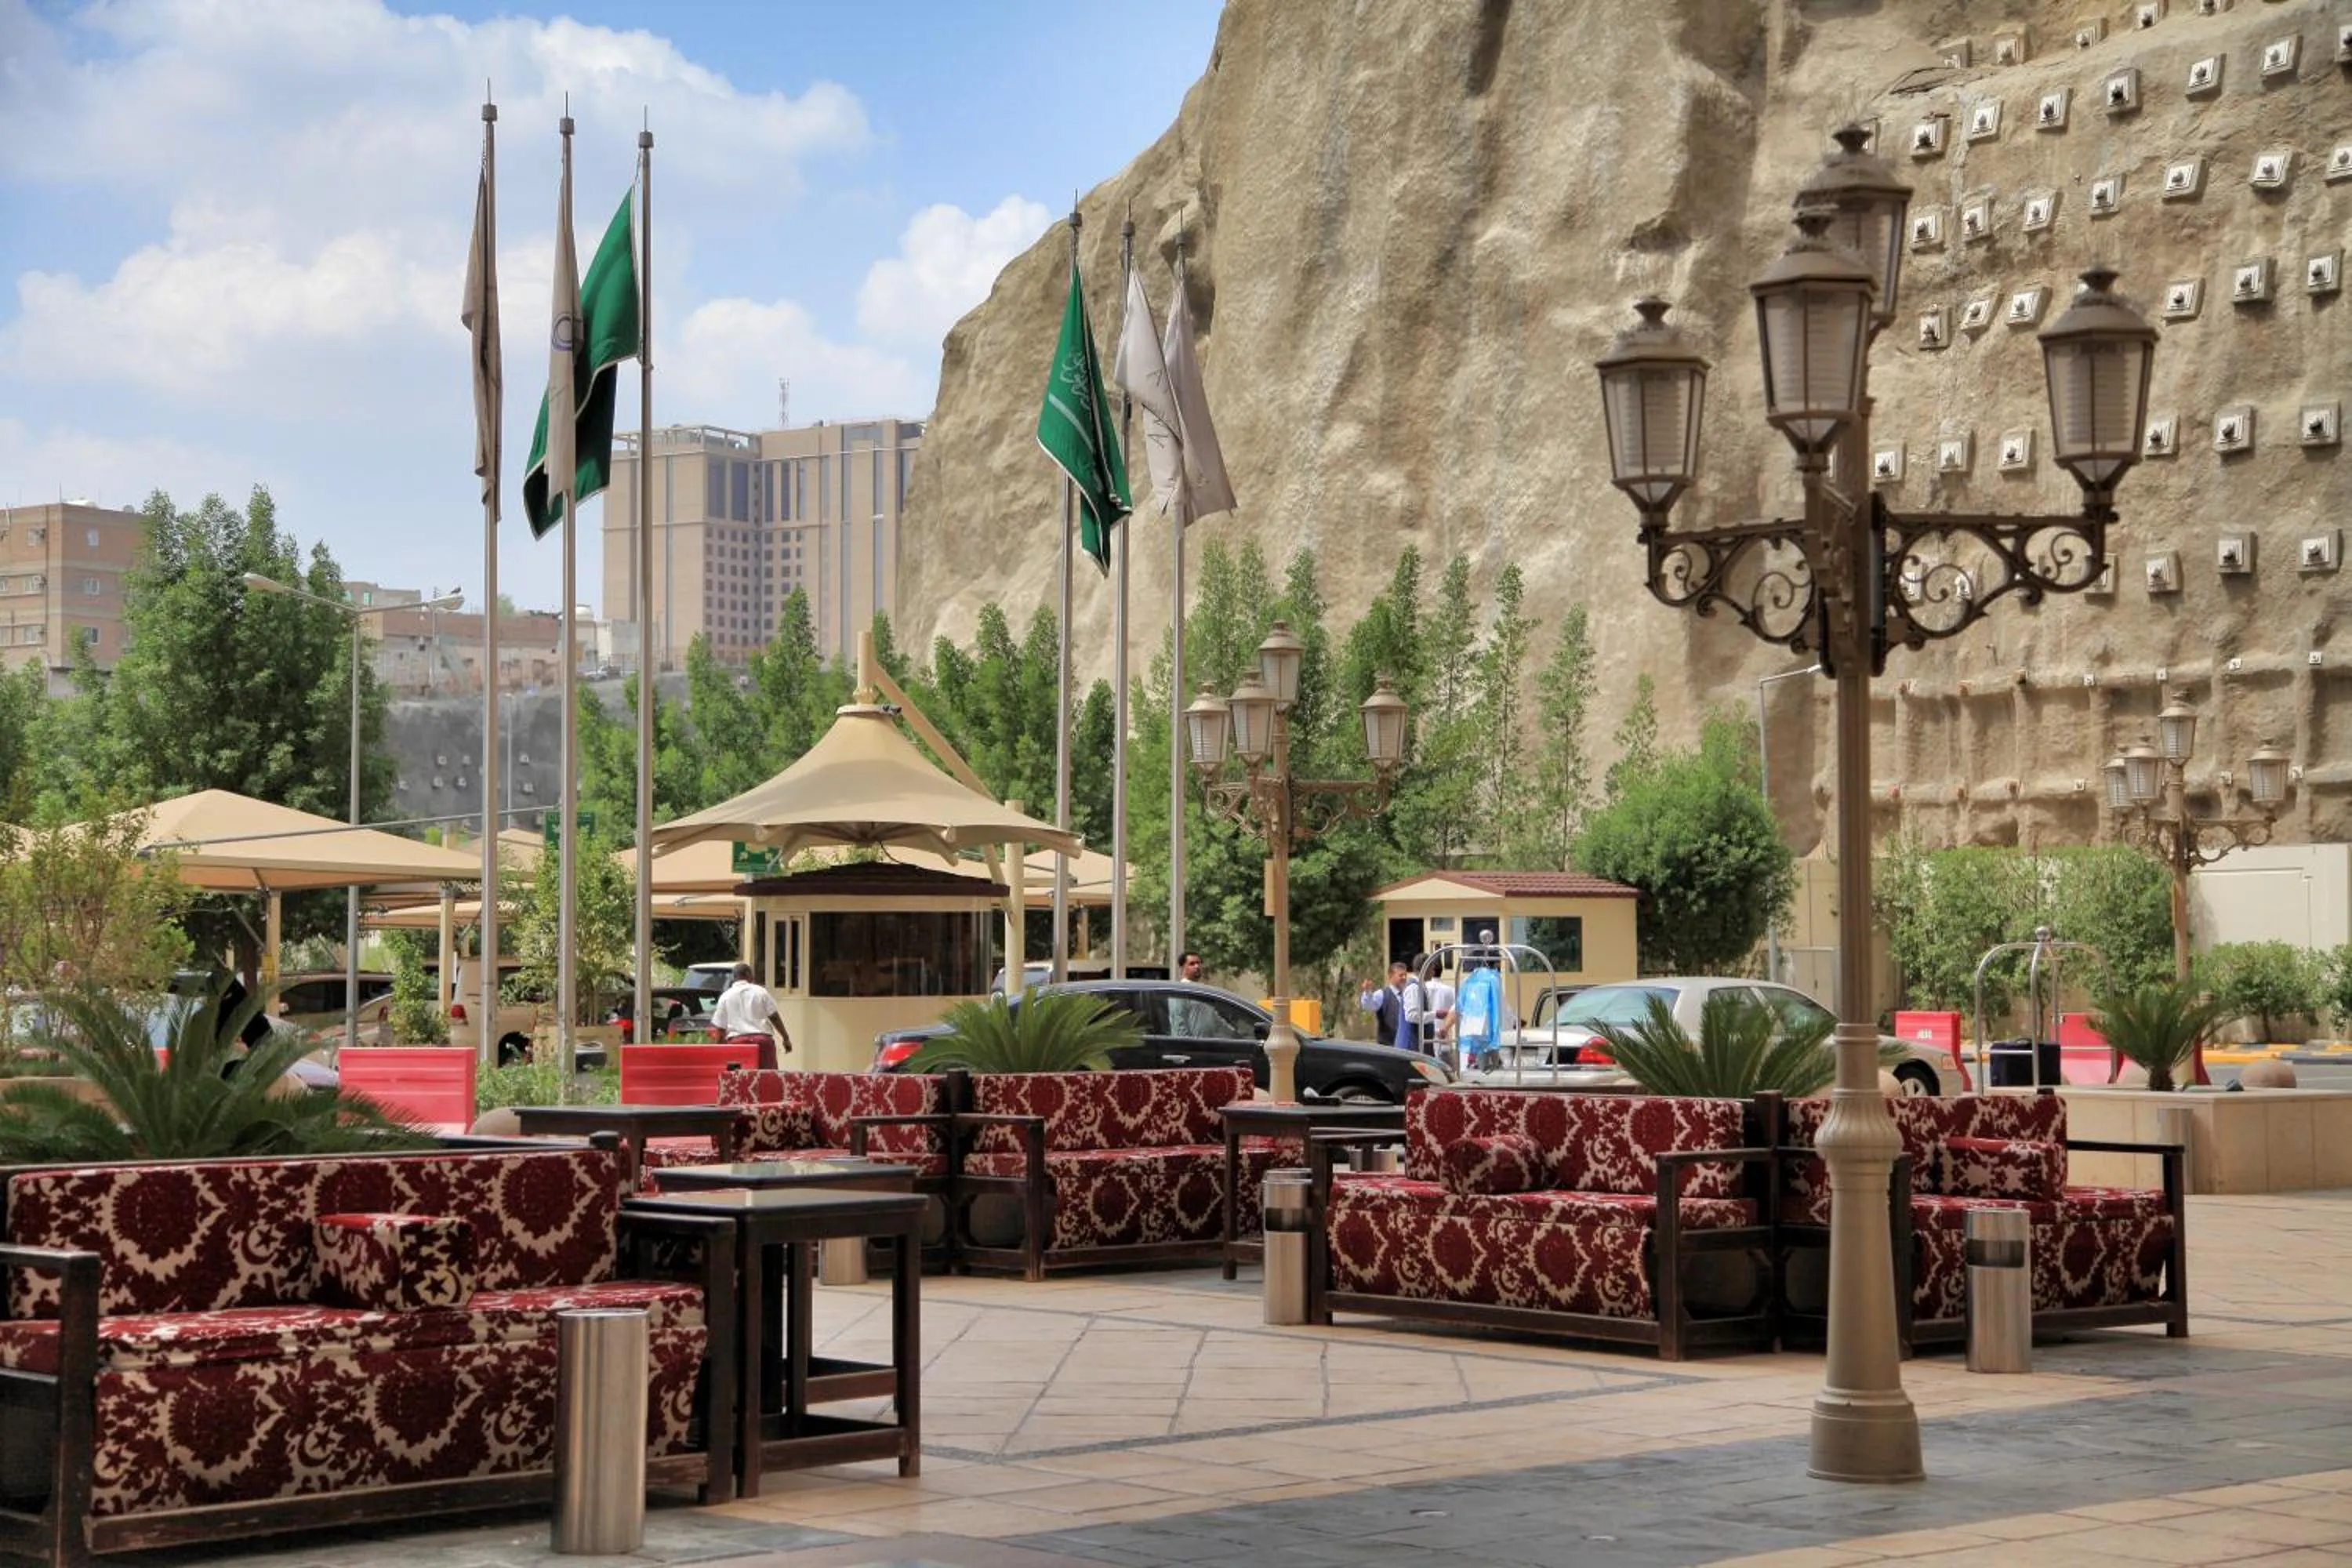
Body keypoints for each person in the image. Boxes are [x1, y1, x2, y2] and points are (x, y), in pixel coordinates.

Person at [710, 962, 793, 1070]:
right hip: (762, 1043)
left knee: (740, 1080)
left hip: (738, 1044)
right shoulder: (761, 992)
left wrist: (719, 1051)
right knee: (767, 1078)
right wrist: (785, 1038)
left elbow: (720, 1029)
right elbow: (774, 1017)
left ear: (734, 978)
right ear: (748, 974)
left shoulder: (725, 997)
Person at [1357, 960, 1423, 1052]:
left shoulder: (1409, 993)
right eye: (1401, 975)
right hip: (1388, 1048)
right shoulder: (1382, 994)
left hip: (1409, 1048)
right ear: (1391, 976)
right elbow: (1369, 1005)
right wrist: (1367, 992)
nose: (1404, 978)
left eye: (1405, 975)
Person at [1413, 959, 1457, 1065]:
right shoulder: (1450, 990)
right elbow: (1457, 1011)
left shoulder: (1420, 988)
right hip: (1443, 1039)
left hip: (1423, 1037)